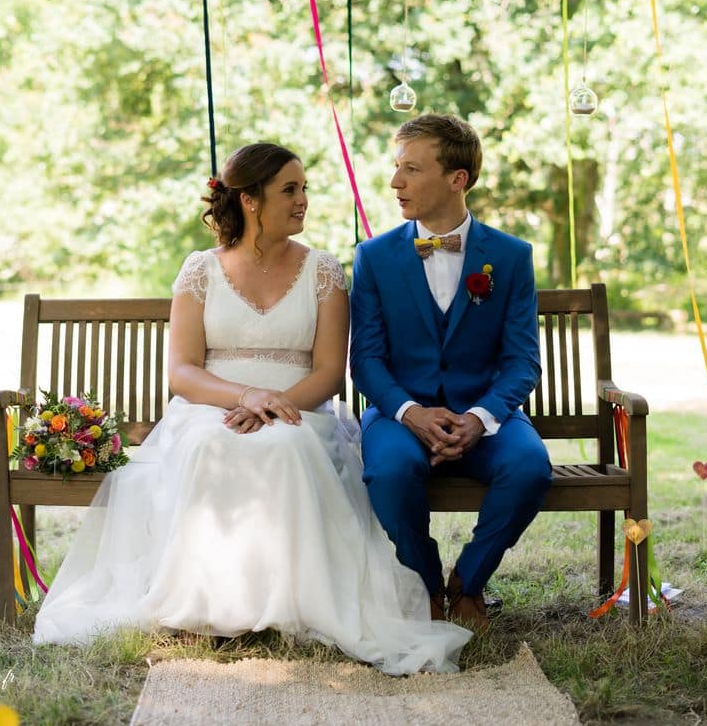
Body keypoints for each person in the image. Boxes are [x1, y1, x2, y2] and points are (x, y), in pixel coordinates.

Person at [33, 142, 472, 675]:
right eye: (290, 189)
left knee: (285, 447)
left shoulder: (325, 272)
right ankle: (206, 603)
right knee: (213, 445)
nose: (303, 200)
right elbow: (183, 371)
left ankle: (293, 601)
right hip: (212, 408)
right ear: (249, 200)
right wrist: (246, 397)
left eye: (304, 188)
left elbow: (331, 373)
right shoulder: (200, 270)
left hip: (300, 412)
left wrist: (275, 403)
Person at [350, 114, 552, 632]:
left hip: (484, 416)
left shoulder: (509, 257)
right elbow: (366, 359)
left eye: (411, 170)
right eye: (397, 168)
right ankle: (425, 586)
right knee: (390, 472)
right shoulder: (373, 258)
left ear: (456, 178)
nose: (396, 182)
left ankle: (469, 582)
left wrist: (480, 418)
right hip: (401, 416)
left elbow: (523, 359)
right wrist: (412, 413)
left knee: (530, 467)